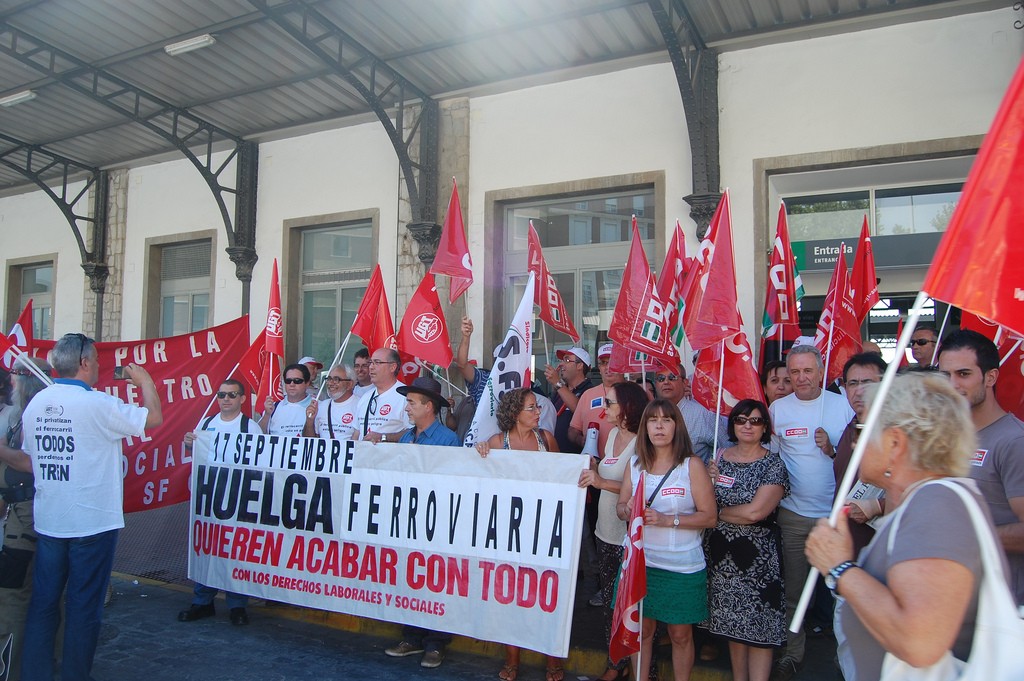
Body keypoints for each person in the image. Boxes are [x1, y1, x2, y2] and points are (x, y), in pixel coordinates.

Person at [805, 372, 1008, 681]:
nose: (857, 442)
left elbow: (918, 643)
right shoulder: (925, 502)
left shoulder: (938, 504)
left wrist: (838, 568)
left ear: (895, 443)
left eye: (865, 430)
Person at [21, 333, 162, 681]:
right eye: (96, 359)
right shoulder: (98, 404)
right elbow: (153, 418)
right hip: (92, 523)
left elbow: (30, 456)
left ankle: (35, 673)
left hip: (51, 519)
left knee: (44, 604)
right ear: (83, 363)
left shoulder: (36, 404)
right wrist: (145, 380)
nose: (99, 366)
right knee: (84, 607)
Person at [767, 344, 854, 681]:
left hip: (837, 516)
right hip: (793, 514)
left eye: (807, 371)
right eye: (795, 372)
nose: (801, 378)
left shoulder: (842, 404)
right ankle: (793, 653)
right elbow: (772, 460)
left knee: (843, 593)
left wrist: (831, 449)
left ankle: (846, 659)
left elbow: (857, 460)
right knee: (794, 591)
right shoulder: (778, 409)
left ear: (821, 372)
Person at [616, 398, 717, 681]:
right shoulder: (635, 465)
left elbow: (709, 517)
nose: (659, 426)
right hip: (640, 563)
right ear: (645, 427)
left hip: (681, 566)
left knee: (680, 634)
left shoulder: (691, 466)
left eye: (666, 420)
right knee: (642, 631)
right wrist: (628, 510)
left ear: (677, 427)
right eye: (652, 420)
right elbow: (621, 506)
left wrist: (666, 520)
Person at [474, 387, 562, 681]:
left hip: (545, 529)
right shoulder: (497, 443)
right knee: (511, 595)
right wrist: (480, 453)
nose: (538, 412)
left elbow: (561, 478)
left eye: (537, 407)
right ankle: (512, 659)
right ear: (514, 414)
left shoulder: (547, 440)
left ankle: (553, 659)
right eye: (532, 408)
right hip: (510, 533)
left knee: (549, 594)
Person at [937, 329, 1024, 604]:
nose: (952, 385)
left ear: (990, 377)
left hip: (1003, 607)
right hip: (955, 600)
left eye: (963, 374)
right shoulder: (944, 437)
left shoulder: (1014, 441)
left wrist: (964, 535)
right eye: (944, 375)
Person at [704, 399, 789, 681]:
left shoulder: (773, 464)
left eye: (755, 420)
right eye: (741, 420)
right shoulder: (719, 459)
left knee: (760, 630)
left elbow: (756, 512)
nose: (747, 426)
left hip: (758, 561)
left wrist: (714, 513)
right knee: (732, 627)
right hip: (721, 558)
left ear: (765, 426)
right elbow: (702, 501)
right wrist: (707, 480)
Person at [384, 376, 459, 668]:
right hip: (409, 522)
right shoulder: (406, 437)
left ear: (429, 407)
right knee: (411, 579)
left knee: (436, 582)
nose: (407, 407)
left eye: (412, 402)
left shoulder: (448, 440)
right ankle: (412, 637)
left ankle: (436, 642)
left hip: (436, 523)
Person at [578, 381, 648, 681]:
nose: (604, 408)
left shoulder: (642, 443)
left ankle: (637, 669)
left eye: (609, 403)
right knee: (610, 605)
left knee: (631, 608)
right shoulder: (613, 436)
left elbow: (643, 490)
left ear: (628, 408)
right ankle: (615, 662)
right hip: (605, 532)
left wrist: (600, 481)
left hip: (628, 539)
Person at [178, 378, 262, 626]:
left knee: (236, 552)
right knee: (207, 549)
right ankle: (202, 601)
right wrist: (188, 444)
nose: (225, 399)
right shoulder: (206, 423)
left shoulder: (250, 428)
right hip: (208, 500)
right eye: (221, 395)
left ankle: (237, 605)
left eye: (231, 395)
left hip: (237, 500)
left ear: (242, 399)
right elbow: (195, 455)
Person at [0, 359, 51, 681]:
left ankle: (11, 669)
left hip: (26, 517)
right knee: (45, 592)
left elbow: (30, 464)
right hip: (34, 514)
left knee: (13, 593)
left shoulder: (30, 415)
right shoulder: (30, 414)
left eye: (14, 377)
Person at [833, 353, 888, 556]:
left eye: (867, 383)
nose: (859, 391)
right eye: (852, 383)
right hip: (847, 546)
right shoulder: (851, 428)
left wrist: (878, 506)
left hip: (881, 551)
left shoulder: (899, 431)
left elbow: (921, 491)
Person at [569, 343, 624, 452]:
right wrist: (580, 440)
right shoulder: (588, 395)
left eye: (613, 362)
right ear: (599, 367)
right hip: (592, 462)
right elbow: (573, 430)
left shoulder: (636, 393)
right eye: (603, 363)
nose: (608, 367)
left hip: (626, 464)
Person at [356, 348, 412, 442]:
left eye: (377, 362)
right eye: (371, 362)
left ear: (392, 367)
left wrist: (384, 437)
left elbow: (414, 432)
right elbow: (357, 433)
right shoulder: (366, 397)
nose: (371, 367)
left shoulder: (405, 396)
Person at [544, 348, 593, 454]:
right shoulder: (559, 390)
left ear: (580, 365)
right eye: (561, 361)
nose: (561, 364)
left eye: (566, 360)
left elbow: (579, 410)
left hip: (575, 456)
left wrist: (557, 383)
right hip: (555, 454)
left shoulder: (589, 390)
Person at [304, 364, 360, 440]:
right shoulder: (320, 406)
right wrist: (309, 421)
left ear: (349, 384)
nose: (330, 383)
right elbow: (310, 442)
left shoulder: (361, 406)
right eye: (329, 379)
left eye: (336, 379)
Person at [259, 363, 313, 436]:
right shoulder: (274, 407)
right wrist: (267, 415)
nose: (292, 384)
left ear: (307, 383)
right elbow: (257, 434)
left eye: (297, 381)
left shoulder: (318, 406)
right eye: (288, 381)